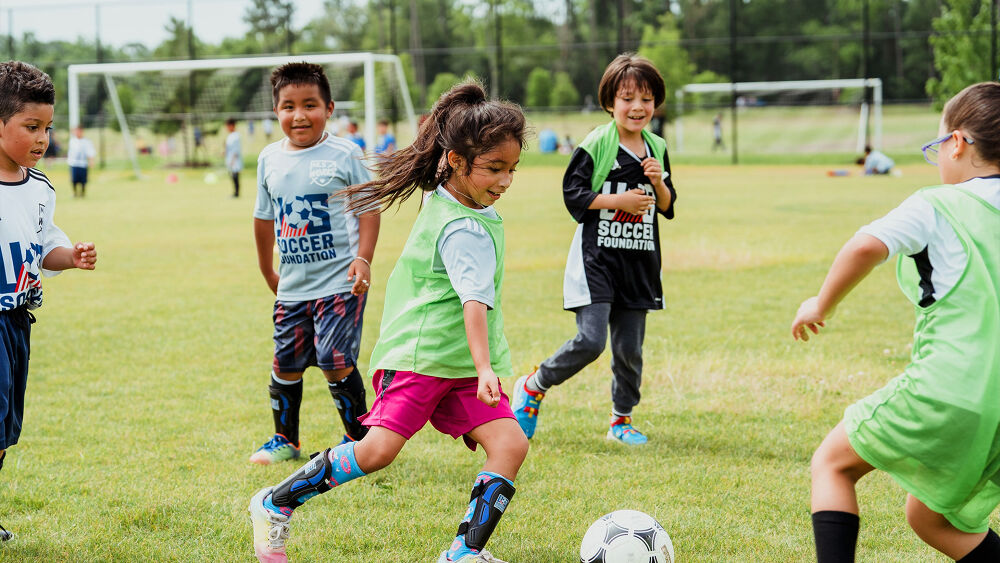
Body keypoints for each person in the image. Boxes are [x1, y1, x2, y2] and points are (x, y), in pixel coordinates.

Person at [248, 81, 529, 563]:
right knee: (375, 452)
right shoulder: (465, 227)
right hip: (422, 359)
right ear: (458, 162)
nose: (504, 181)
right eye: (494, 169)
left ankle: (463, 553)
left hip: (455, 363)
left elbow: (439, 163)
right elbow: (474, 303)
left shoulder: (448, 194)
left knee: (510, 443)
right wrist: (486, 369)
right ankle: (274, 503)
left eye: (512, 169)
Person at [793, 82, 1000, 562]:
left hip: (950, 389)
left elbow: (866, 245)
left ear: (957, 142)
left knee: (831, 464)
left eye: (937, 146)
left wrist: (820, 305)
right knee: (930, 518)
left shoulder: (937, 203)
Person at [511, 53, 677, 446]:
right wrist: (617, 203)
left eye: (647, 98)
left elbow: (668, 207)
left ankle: (621, 422)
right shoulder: (596, 143)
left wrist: (659, 184)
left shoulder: (656, 147)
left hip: (638, 264)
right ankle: (534, 386)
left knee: (629, 351)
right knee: (591, 340)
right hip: (596, 261)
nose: (638, 107)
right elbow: (574, 195)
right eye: (628, 98)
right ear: (609, 102)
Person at [249, 62, 380, 467]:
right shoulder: (269, 158)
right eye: (288, 106)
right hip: (292, 287)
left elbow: (369, 208)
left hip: (340, 283)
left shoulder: (345, 153)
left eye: (310, 105)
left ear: (329, 108)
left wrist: (363, 259)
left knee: (335, 360)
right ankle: (284, 439)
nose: (299, 115)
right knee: (285, 364)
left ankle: (358, 440)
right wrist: (267, 270)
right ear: (276, 111)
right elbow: (263, 218)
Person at [0, 61, 98, 540]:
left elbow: (45, 248)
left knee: (3, 431)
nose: (42, 139)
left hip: (18, 322)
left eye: (47, 128)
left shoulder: (40, 189)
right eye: (30, 127)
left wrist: (71, 256)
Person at [66, 126, 95, 197]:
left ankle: (83, 193)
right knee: (74, 180)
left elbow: (90, 152)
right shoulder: (72, 141)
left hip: (83, 163)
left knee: (83, 180)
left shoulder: (87, 142)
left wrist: (91, 161)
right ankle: (75, 193)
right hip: (74, 163)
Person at [223, 118, 242, 198]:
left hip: (235, 160)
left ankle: (236, 193)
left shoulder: (236, 136)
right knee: (232, 176)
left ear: (232, 126)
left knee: (235, 176)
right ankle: (235, 192)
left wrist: (233, 160)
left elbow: (236, 150)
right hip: (230, 159)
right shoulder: (230, 136)